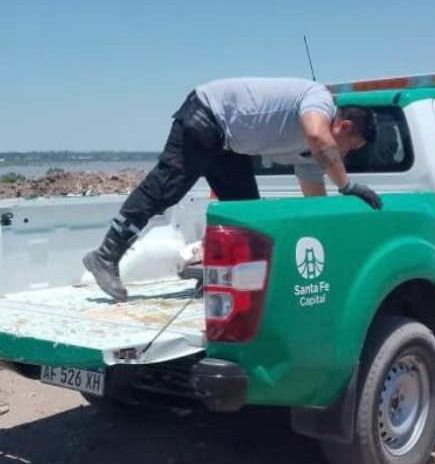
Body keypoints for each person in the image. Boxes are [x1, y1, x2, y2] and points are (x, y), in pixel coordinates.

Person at [83, 77, 382, 302]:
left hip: (229, 142)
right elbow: (319, 135)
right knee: (165, 189)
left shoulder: (309, 155)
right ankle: (106, 255)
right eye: (351, 148)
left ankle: (217, 277)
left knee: (244, 211)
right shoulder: (320, 101)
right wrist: (347, 184)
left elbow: (316, 205)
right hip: (207, 115)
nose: (346, 155)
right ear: (343, 127)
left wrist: (332, 256)